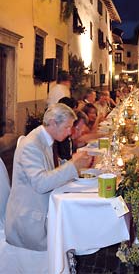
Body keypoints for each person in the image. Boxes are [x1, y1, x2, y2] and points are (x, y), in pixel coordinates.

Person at [5, 103, 93, 252]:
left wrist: (74, 162)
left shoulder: (46, 139)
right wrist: (72, 166)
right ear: (52, 123)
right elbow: (41, 183)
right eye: (67, 127)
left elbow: (51, 166)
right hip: (30, 221)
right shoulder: (31, 144)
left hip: (43, 210)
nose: (70, 132)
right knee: (77, 226)